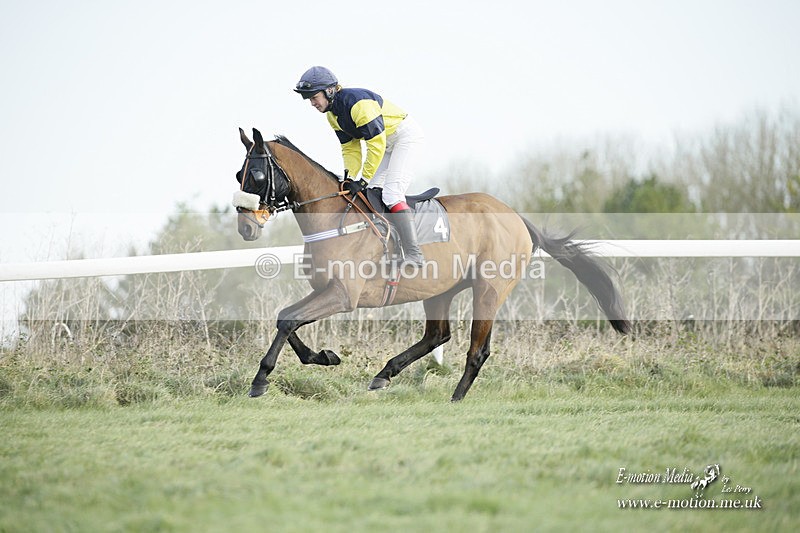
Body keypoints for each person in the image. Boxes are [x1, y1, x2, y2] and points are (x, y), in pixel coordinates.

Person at [294, 66, 425, 266]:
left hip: (403, 138)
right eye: (309, 99)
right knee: (370, 194)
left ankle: (414, 253)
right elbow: (350, 148)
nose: (312, 103)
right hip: (385, 144)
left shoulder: (357, 104)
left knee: (391, 195)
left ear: (329, 91)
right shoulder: (332, 115)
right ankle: (388, 245)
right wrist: (350, 177)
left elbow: (376, 143)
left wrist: (362, 180)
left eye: (314, 97)